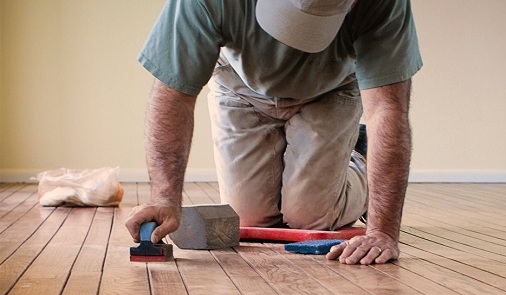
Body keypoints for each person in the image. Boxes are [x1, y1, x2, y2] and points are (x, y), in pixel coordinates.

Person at [125, 0, 422, 265]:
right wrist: (165, 199)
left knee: (309, 217)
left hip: (331, 88)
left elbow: (387, 110)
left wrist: (382, 231)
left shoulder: (385, 4)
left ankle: (359, 159)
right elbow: (173, 95)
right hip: (239, 85)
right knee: (249, 218)